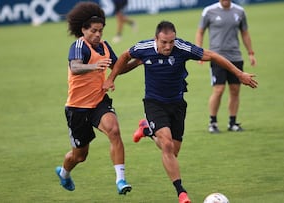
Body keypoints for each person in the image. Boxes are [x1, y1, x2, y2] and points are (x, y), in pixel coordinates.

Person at [102, 21, 258, 203]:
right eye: (164, 42)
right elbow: (124, 56)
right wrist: (111, 78)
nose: (168, 46)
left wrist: (239, 74)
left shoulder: (182, 48)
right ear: (156, 39)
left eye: (171, 42)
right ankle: (181, 192)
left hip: (177, 105)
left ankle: (146, 130)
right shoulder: (143, 47)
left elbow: (213, 55)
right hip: (154, 104)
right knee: (167, 145)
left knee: (172, 151)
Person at [55, 2, 139, 194]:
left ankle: (120, 180)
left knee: (114, 130)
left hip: (99, 102)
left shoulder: (105, 47)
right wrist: (95, 66)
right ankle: (65, 174)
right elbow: (75, 67)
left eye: (100, 31)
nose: (98, 35)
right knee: (79, 156)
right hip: (77, 108)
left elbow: (119, 67)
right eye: (93, 31)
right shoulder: (78, 46)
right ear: (83, 29)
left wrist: (139, 61)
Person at [195, 0, 257, 134]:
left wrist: (250, 53)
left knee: (235, 90)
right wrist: (198, 52)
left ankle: (233, 122)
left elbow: (245, 33)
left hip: (235, 57)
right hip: (217, 57)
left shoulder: (240, 11)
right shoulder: (209, 11)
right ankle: (213, 122)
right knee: (219, 89)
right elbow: (200, 32)